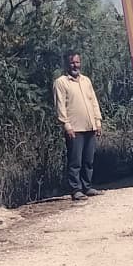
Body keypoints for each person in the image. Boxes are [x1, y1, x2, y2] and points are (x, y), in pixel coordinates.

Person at [53, 49, 103, 201]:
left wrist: (98, 121)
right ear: (66, 64)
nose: (75, 65)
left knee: (89, 160)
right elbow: (60, 106)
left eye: (77, 62)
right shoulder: (61, 82)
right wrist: (66, 125)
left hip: (90, 126)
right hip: (74, 128)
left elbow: (93, 101)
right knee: (75, 161)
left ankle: (87, 187)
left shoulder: (86, 80)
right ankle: (76, 190)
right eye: (72, 63)